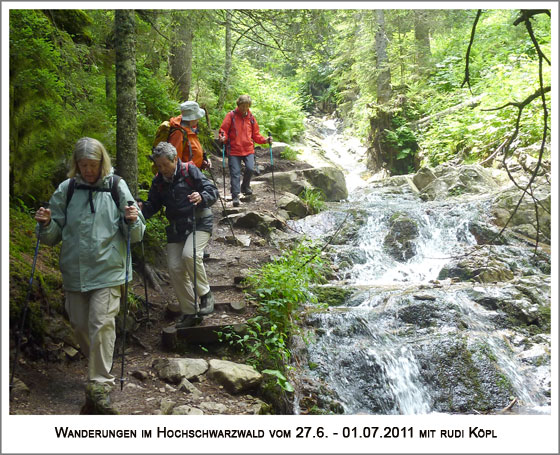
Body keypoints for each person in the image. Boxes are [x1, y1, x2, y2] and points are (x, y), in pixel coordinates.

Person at [34, 137, 145, 414]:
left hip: (108, 270)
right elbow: (52, 235)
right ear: (76, 165)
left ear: (101, 163)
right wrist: (46, 224)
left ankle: (98, 384)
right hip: (75, 270)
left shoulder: (116, 186)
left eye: (93, 165)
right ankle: (99, 366)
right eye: (83, 165)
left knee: (101, 322)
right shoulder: (67, 189)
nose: (88, 170)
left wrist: (132, 219)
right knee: (80, 326)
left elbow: (137, 233)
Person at [139, 142, 218, 329]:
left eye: (165, 164)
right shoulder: (158, 181)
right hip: (176, 229)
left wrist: (201, 197)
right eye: (159, 165)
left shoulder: (189, 170)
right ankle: (190, 311)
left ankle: (206, 295)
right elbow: (152, 206)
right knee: (174, 267)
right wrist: (141, 208)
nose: (162, 169)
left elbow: (212, 191)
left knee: (190, 255)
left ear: (175, 159)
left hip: (199, 222)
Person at [218, 94, 272, 207]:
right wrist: (223, 137)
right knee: (235, 173)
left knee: (250, 168)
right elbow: (224, 130)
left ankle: (245, 186)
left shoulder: (251, 118)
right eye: (242, 106)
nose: (244, 108)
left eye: (247, 106)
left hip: (248, 149)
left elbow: (256, 134)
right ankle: (235, 196)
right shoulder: (231, 115)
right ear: (239, 105)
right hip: (234, 150)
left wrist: (265, 140)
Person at [168, 100, 212, 170]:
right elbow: (175, 162)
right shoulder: (178, 133)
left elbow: (191, 152)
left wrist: (201, 162)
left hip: (193, 173)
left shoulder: (190, 129)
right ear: (192, 118)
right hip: (186, 177)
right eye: (197, 117)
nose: (198, 119)